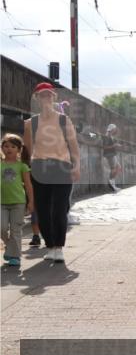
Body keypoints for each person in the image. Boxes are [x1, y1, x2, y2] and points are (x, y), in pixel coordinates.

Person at [22, 82, 81, 263]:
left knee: (59, 208)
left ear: (54, 97)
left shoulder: (64, 120)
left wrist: (76, 166)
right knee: (43, 210)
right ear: (37, 98)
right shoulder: (30, 123)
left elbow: (73, 146)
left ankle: (59, 247)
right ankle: (50, 246)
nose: (46, 97)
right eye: (42, 95)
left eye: (49, 94)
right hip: (40, 167)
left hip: (62, 166)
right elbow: (28, 150)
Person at [1, 134, 33, 268]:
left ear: (19, 149)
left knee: (16, 230)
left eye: (13, 147)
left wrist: (31, 202)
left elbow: (28, 185)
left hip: (18, 202)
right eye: (6, 146)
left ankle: (15, 256)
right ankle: (10, 248)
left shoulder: (22, 166)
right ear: (2, 148)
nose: (9, 149)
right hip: (1, 202)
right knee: (1, 228)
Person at [102, 124, 124, 191]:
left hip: (113, 154)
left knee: (118, 167)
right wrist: (114, 145)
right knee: (113, 168)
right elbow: (105, 147)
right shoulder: (107, 136)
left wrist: (117, 145)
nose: (115, 130)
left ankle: (112, 182)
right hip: (109, 154)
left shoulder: (110, 136)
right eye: (114, 129)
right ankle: (111, 182)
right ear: (112, 129)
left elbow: (112, 145)